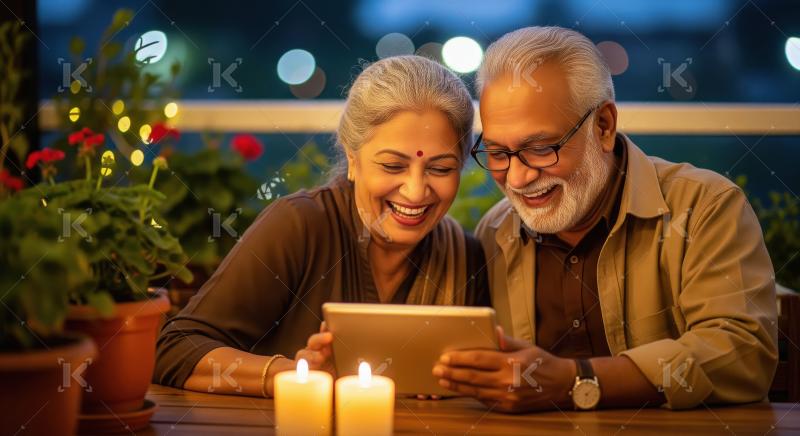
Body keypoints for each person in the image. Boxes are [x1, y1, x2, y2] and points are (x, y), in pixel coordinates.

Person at [432, 26, 778, 412]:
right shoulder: (495, 231)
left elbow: (744, 353)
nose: (517, 178)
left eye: (541, 148)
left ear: (603, 127)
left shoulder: (704, 207)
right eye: (498, 153)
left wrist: (576, 381)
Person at [154, 55, 490, 397]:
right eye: (392, 166)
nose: (416, 191)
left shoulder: (464, 257)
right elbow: (174, 350)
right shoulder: (298, 226)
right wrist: (295, 375)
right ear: (352, 158)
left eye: (441, 169)